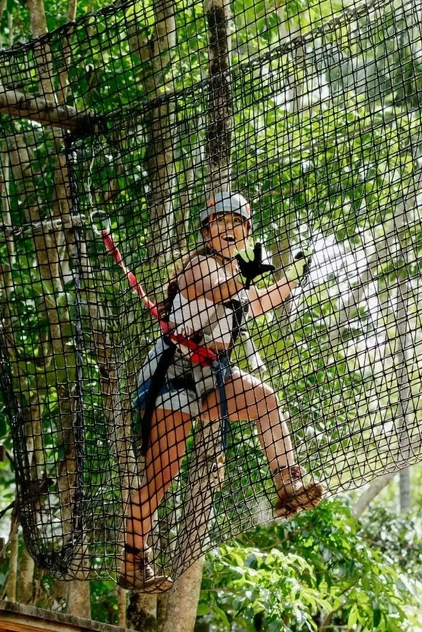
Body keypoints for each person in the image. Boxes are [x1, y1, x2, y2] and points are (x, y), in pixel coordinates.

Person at [119, 192, 324, 592]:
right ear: (207, 229)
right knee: (163, 477)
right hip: (173, 375)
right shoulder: (196, 266)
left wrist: (292, 276)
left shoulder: (235, 279)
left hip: (211, 375)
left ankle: (287, 484)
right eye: (223, 223)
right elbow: (217, 288)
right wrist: (249, 277)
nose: (231, 231)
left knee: (265, 400)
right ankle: (132, 559)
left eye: (240, 226)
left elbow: (258, 301)